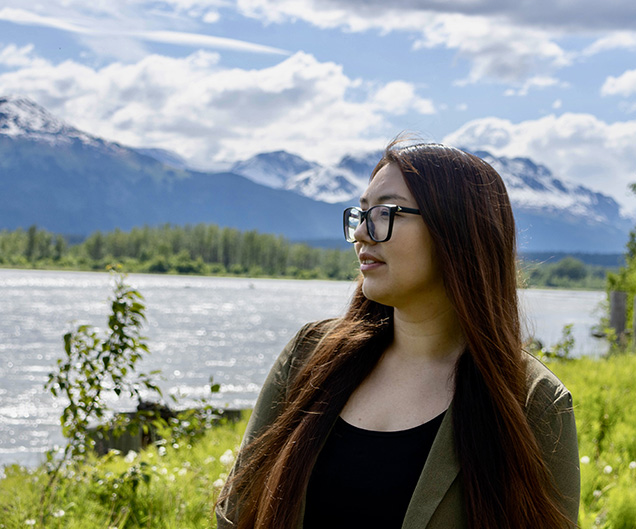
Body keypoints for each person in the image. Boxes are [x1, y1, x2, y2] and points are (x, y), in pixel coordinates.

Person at [216, 140, 580, 529]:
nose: (360, 233)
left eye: (384, 213)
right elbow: (236, 514)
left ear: (457, 230)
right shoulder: (308, 356)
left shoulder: (532, 402)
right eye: (361, 214)